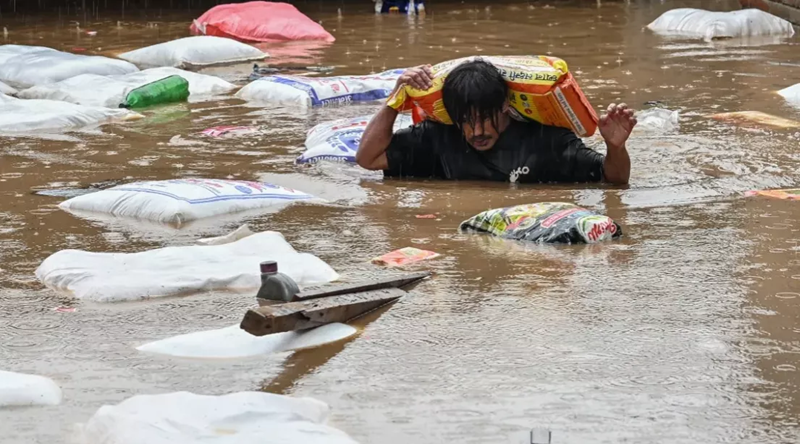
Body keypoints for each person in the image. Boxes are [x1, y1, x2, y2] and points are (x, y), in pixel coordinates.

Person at [356, 60, 636, 185]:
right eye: (466, 121)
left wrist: (615, 148)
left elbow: (614, 179)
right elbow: (368, 158)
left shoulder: (546, 141)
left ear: (505, 106)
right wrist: (395, 99)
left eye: (484, 119)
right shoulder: (437, 137)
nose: (476, 131)